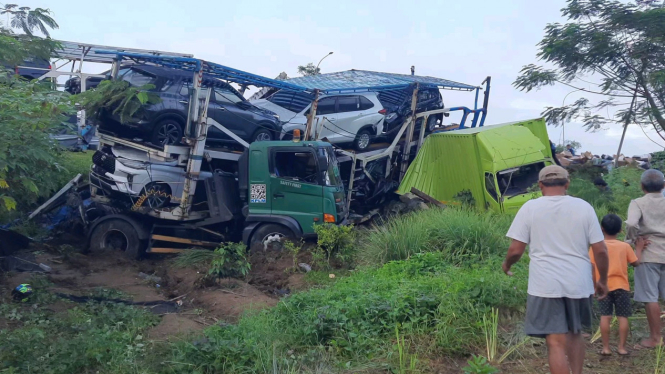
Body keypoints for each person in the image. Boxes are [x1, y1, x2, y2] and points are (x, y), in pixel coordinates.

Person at [502, 165, 609, 374]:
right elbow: (601, 250)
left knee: (555, 341)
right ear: (567, 184)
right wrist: (602, 280)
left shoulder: (530, 208)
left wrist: (507, 265)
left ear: (540, 185)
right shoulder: (584, 207)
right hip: (579, 282)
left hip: (545, 285)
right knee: (575, 333)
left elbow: (516, 250)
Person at [589, 214, 646, 356]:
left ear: (601, 229)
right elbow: (636, 262)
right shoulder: (624, 246)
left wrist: (594, 286)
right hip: (622, 287)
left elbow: (591, 267)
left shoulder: (596, 248)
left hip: (603, 287)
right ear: (620, 230)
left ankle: (606, 348)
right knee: (623, 317)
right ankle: (622, 347)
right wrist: (639, 248)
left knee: (605, 316)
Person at [626, 169, 665, 348]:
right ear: (663, 186)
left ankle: (655, 339)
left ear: (642, 187)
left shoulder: (638, 203)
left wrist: (633, 241)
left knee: (650, 297)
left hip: (649, 252)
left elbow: (632, 223)